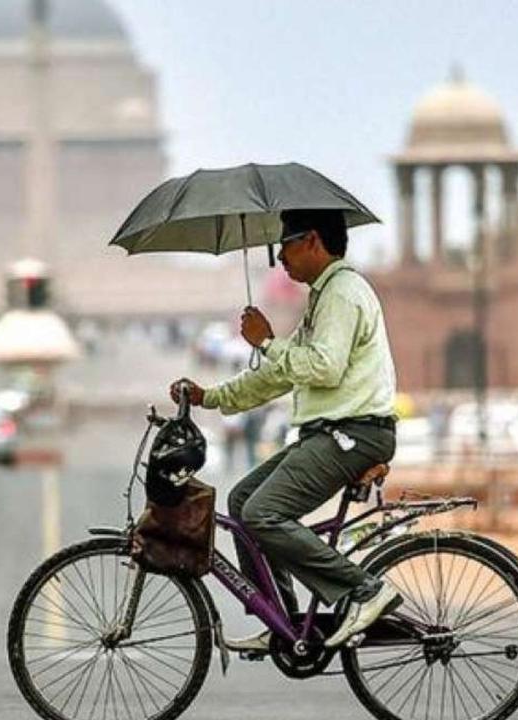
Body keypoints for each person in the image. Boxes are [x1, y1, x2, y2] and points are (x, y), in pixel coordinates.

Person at [169, 208, 400, 652]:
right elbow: (279, 375)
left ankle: (365, 590)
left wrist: (267, 342)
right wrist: (210, 397)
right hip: (331, 434)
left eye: (284, 246)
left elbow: (324, 367)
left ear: (312, 240)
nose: (279, 259)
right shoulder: (322, 297)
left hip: (354, 434)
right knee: (241, 502)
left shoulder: (343, 293)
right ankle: (283, 620)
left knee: (262, 514)